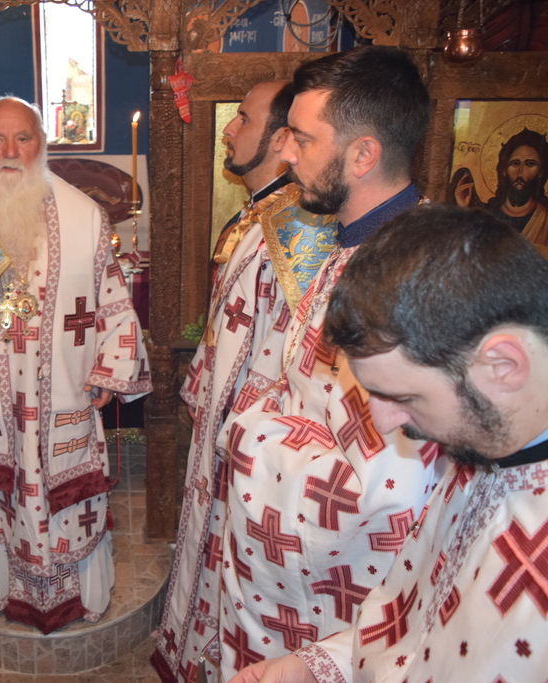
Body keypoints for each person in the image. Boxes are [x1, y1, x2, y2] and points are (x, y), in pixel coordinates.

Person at [230, 204, 548, 683]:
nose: (384, 422)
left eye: (403, 397)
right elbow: (414, 628)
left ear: (503, 366)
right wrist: (313, 667)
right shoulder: (486, 444)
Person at [208, 47, 444, 681]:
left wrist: (252, 440)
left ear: (363, 155)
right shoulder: (351, 246)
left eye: (304, 139)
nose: (286, 154)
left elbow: (397, 488)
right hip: (298, 575)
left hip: (342, 598)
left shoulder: (411, 279)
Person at [0, 97, 152, 634]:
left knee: (64, 487)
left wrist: (109, 370)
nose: (10, 152)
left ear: (42, 144)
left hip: (63, 391)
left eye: (23, 138)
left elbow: (113, 300)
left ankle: (77, 594)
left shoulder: (84, 216)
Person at [152, 80, 337, 683]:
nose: (228, 129)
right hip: (224, 422)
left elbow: (298, 355)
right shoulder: (260, 215)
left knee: (230, 558)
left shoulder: (303, 227)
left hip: (253, 438)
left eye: (243, 118)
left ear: (281, 139)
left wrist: (241, 426)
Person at [455, 128, 548, 256]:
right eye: (515, 163)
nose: (520, 172)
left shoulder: (545, 219)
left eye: (530, 164)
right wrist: (464, 210)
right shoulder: (487, 215)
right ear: (504, 170)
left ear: (541, 172)